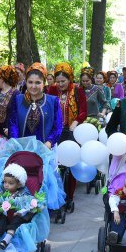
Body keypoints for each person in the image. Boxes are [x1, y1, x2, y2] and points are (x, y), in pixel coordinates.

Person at [48, 62, 87, 207]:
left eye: (63, 81)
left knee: (69, 164)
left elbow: (83, 110)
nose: (59, 84)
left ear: (70, 79)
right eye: (57, 81)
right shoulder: (51, 90)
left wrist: (76, 121)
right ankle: (56, 194)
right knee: (55, 164)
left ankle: (69, 196)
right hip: (56, 132)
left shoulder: (78, 91)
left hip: (72, 132)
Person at [9, 62, 63, 150]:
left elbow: (58, 126)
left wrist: (49, 142)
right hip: (21, 149)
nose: (33, 86)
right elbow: (13, 124)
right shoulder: (18, 100)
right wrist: (15, 143)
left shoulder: (53, 101)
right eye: (30, 82)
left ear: (44, 83)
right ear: (26, 82)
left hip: (45, 150)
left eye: (38, 82)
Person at [0, 163, 35, 251]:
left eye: (10, 183)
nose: (6, 185)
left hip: (17, 215)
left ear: (19, 185)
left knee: (16, 221)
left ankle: (5, 241)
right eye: (5, 182)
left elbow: (29, 205)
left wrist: (21, 211)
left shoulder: (24, 192)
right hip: (4, 215)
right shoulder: (1, 188)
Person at [0, 66, 20, 139]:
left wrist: (12, 130)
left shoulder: (16, 94)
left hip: (8, 133)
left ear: (2, 79)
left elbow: (18, 115)